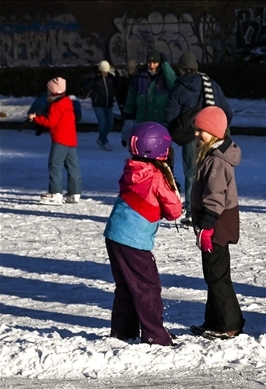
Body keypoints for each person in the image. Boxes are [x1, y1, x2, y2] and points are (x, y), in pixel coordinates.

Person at [102, 122, 183, 346]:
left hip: (114, 234)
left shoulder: (131, 168)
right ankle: (155, 335)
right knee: (148, 288)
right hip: (133, 240)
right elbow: (174, 211)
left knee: (126, 286)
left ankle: (123, 331)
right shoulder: (156, 176)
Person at [187, 107, 244, 340]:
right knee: (213, 275)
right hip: (213, 224)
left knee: (218, 276)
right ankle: (214, 321)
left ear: (214, 132)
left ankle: (230, 324)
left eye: (201, 130)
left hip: (217, 225)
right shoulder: (212, 156)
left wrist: (207, 226)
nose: (197, 134)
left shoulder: (217, 162)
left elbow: (215, 198)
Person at [165, 51, 233, 226]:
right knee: (213, 172)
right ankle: (213, 209)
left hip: (191, 135)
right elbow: (227, 111)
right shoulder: (211, 84)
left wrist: (174, 130)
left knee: (192, 173)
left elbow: (170, 114)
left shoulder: (180, 86)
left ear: (182, 69)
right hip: (212, 136)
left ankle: (191, 211)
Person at [28, 77, 82, 205]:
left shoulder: (56, 104)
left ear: (53, 90)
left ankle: (55, 193)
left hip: (60, 139)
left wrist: (36, 119)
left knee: (54, 164)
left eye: (49, 89)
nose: (47, 91)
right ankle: (74, 193)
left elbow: (51, 122)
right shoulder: (67, 101)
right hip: (71, 139)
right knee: (72, 166)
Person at [124, 50, 176, 127]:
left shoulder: (165, 77)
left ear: (160, 63)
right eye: (149, 63)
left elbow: (174, 85)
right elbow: (131, 96)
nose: (152, 66)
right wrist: (127, 111)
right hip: (143, 121)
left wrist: (166, 66)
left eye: (155, 63)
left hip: (160, 122)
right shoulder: (139, 77)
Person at [83, 60, 117, 150]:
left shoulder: (110, 77)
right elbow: (86, 86)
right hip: (98, 104)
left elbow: (117, 86)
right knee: (102, 123)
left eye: (106, 72)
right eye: (103, 72)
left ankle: (100, 139)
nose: (105, 74)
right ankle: (104, 141)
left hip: (108, 104)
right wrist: (93, 79)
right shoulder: (95, 77)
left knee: (110, 124)